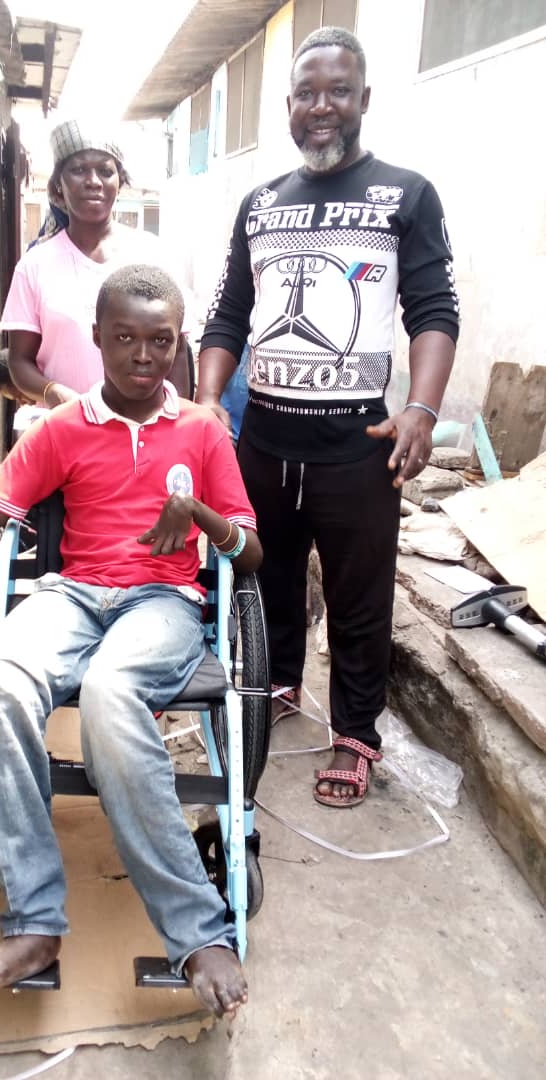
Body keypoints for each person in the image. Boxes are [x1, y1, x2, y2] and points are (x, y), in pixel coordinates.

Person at [0, 264, 262, 1018]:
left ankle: (196, 931)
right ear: (96, 339)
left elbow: (249, 553)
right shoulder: (63, 427)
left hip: (164, 601)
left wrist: (204, 519)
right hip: (76, 594)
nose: (143, 357)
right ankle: (34, 924)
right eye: (124, 339)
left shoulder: (201, 433)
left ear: (179, 345)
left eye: (160, 341)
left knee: (115, 694)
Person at [196, 27, 459, 808]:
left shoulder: (404, 194)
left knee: (358, 594)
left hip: (357, 445)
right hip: (265, 439)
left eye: (337, 91)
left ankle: (355, 734)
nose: (322, 108)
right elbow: (227, 315)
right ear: (287, 107)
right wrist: (211, 402)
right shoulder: (261, 203)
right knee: (267, 573)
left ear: (364, 101)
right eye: (307, 94)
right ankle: (277, 683)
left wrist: (420, 408)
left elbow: (435, 309)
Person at [1, 119, 192, 407]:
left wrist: (174, 420)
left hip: (143, 429)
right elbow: (18, 360)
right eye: (78, 170)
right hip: (66, 429)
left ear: (120, 182)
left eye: (105, 171)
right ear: (58, 186)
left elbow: (178, 352)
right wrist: (53, 393)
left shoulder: (154, 255)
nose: (93, 181)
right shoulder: (34, 266)